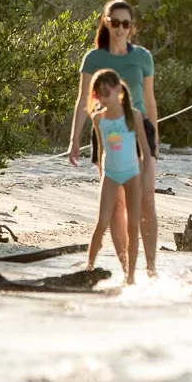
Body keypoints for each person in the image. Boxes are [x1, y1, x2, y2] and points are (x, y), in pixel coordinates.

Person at [69, 0, 159, 278]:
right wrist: (74, 140)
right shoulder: (94, 58)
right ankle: (125, 270)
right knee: (115, 206)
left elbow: (149, 99)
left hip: (138, 128)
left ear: (132, 27)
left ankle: (150, 267)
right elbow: (83, 100)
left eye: (125, 24)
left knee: (147, 200)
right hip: (108, 134)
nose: (120, 29)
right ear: (106, 23)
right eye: (115, 22)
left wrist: (154, 141)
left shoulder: (142, 57)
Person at [84, 69, 147, 285]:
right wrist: (103, 174)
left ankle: (130, 275)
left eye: (106, 92)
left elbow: (145, 151)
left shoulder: (133, 116)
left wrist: (146, 176)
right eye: (98, 94)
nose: (102, 98)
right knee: (102, 222)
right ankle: (88, 267)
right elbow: (101, 150)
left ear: (118, 91)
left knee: (133, 225)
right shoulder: (98, 118)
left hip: (132, 175)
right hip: (110, 174)